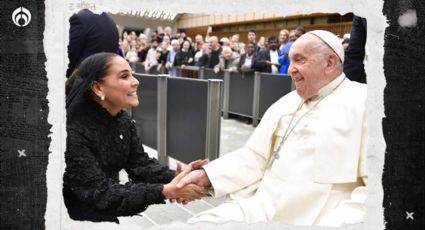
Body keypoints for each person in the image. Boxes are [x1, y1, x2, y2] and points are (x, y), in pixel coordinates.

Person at [177, 30, 368, 226]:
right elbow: (254, 157)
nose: (290, 70)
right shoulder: (286, 102)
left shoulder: (366, 103)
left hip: (317, 218)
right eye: (290, 61)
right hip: (257, 207)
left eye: (299, 60)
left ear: (329, 62)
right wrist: (207, 176)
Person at [64, 52, 207, 223]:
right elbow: (100, 195)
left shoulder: (121, 119)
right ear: (98, 88)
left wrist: (180, 178)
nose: (136, 81)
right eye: (125, 76)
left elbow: (140, 165)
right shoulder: (71, 132)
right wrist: (166, 191)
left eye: (132, 74)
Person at [66, 9, 118, 78]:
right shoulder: (112, 23)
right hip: (103, 78)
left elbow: (70, 53)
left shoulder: (80, 18)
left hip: (80, 79)